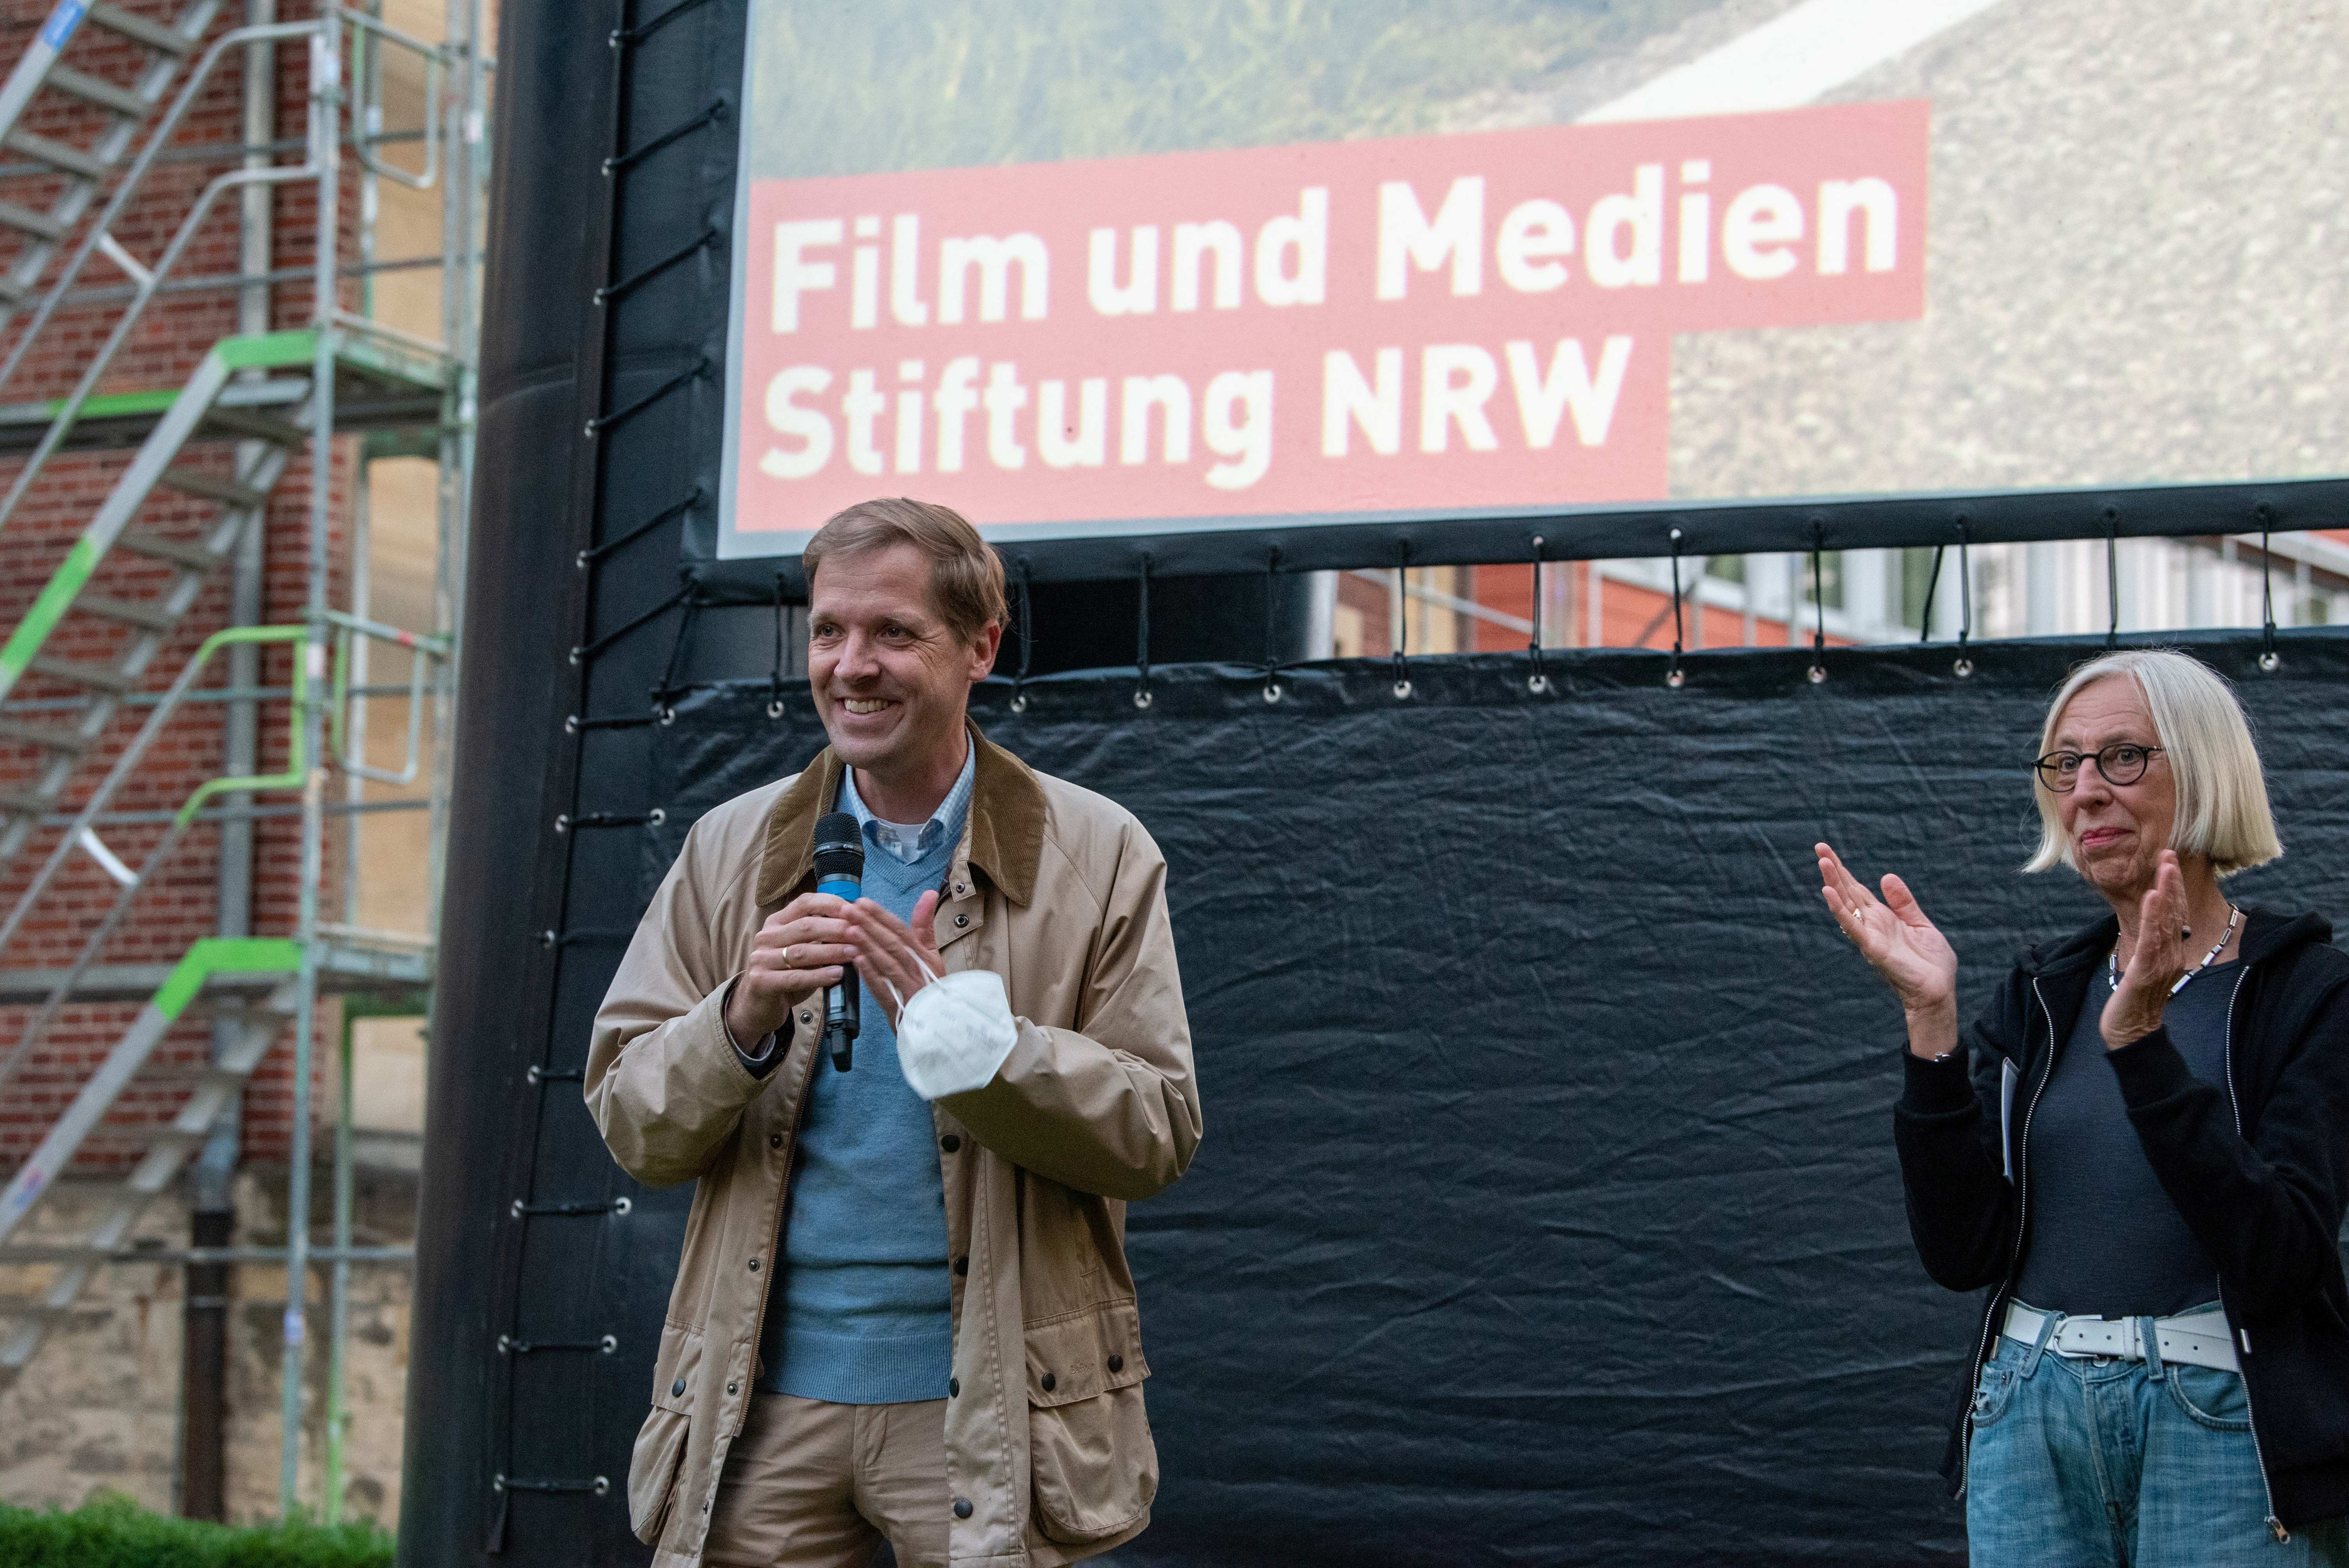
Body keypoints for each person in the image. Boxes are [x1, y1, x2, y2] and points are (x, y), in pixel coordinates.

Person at [586, 498, 1201, 1568]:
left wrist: (982, 1046)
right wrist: (740, 1019)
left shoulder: (1099, 850)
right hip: (759, 1409)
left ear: (981, 647)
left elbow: (1157, 1128)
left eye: (892, 633)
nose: (850, 666)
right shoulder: (732, 848)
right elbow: (632, 1122)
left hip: (989, 1412)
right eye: (830, 631)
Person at [1815, 648, 2349, 1565]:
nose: (2086, 790)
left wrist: (2141, 1048)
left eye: (2123, 757)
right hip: (2027, 1410)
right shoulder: (2041, 996)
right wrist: (1929, 1022)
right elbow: (1961, 1252)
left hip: (2219, 1421)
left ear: (2205, 768)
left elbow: (2280, 1255)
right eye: (2064, 764)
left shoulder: (2307, 992)